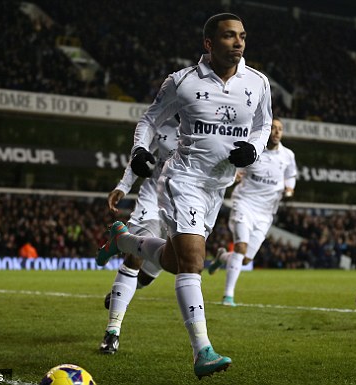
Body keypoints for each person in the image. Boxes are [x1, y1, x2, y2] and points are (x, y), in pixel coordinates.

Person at [96, 13, 272, 379]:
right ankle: (202, 350)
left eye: (242, 36)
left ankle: (125, 240)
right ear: (209, 43)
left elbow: (263, 124)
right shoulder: (183, 82)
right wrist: (139, 151)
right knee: (193, 262)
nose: (238, 42)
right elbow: (149, 120)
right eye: (228, 36)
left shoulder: (258, 82)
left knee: (175, 262)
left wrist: (254, 149)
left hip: (217, 188)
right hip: (183, 179)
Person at [99, 115, 179, 354]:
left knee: (158, 270)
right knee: (135, 258)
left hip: (187, 204)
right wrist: (123, 186)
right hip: (153, 199)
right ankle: (112, 332)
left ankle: (118, 288)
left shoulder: (211, 122)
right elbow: (140, 157)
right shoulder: (163, 123)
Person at [207, 118, 296, 306]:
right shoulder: (252, 151)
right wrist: (236, 175)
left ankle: (222, 257)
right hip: (244, 204)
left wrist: (289, 188)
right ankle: (228, 296)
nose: (276, 132)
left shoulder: (288, 155)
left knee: (246, 259)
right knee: (241, 247)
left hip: (265, 213)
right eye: (273, 128)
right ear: (266, 131)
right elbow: (235, 168)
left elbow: (290, 176)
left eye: (280, 129)